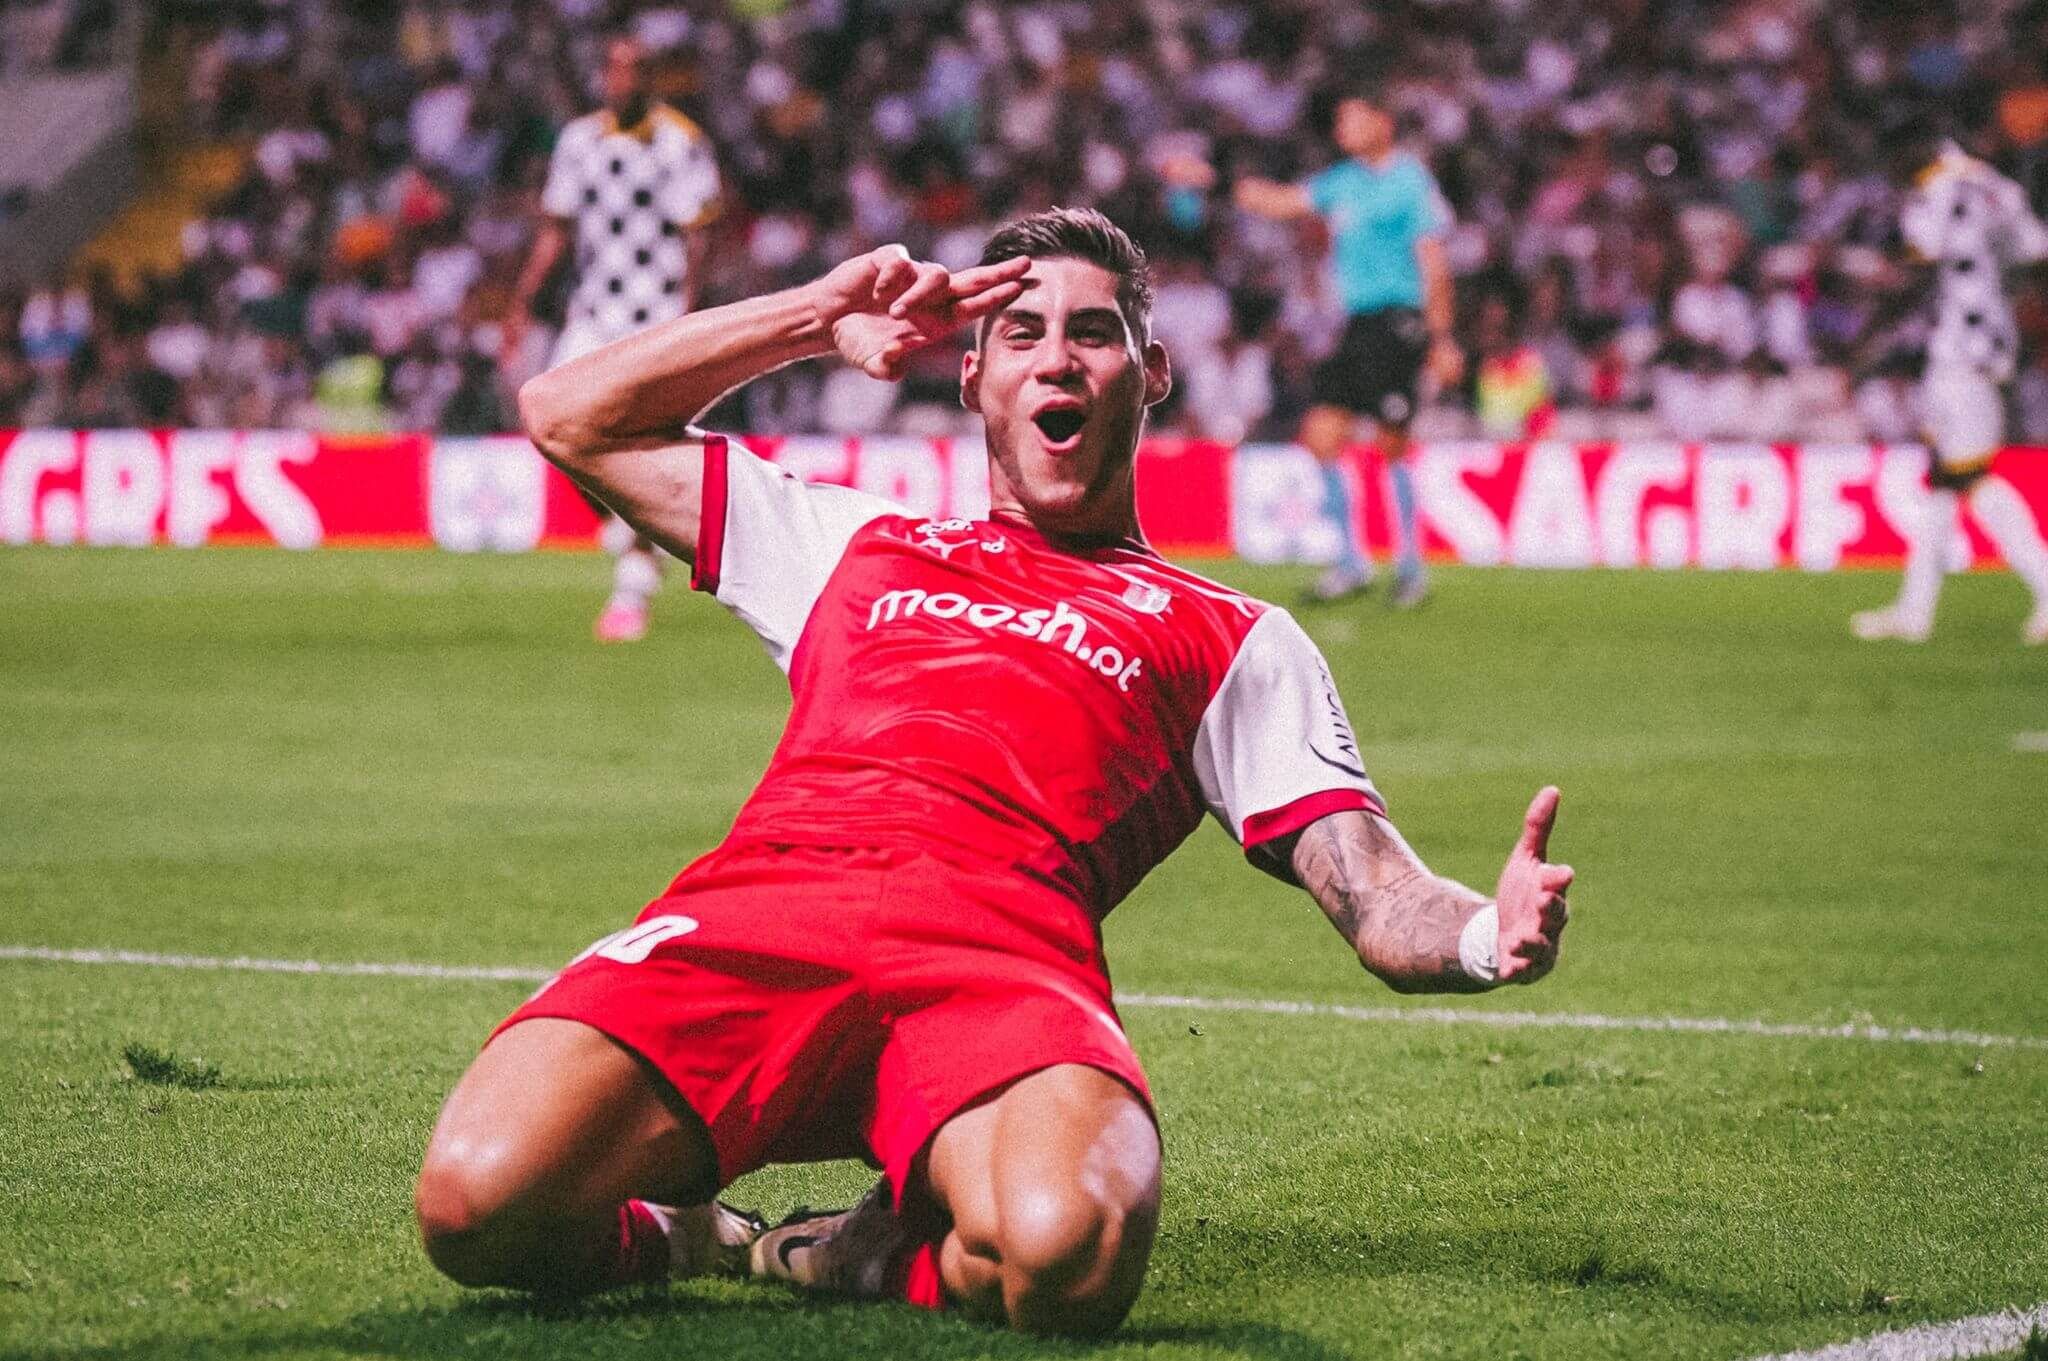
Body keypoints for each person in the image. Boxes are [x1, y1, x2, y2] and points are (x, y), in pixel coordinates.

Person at [415, 209, 1574, 1336]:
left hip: (999, 965)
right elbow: (569, 414)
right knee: (472, 1202)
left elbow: (1374, 891)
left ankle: (858, 1247)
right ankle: (685, 1235)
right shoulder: (853, 544)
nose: (1055, 356)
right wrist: (816, 317)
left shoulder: (1229, 632)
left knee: (1068, 1255)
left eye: (1091, 331)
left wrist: (1484, 933)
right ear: (970, 377)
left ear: (1148, 370)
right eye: (1020, 332)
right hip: (759, 917)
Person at [1175, 93, 1462, 607]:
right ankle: (1353, 562)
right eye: (1340, 119)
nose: (1344, 128)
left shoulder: (1409, 181)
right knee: (1322, 435)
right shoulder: (1343, 183)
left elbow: (1434, 263)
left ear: (1383, 122)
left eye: (1354, 117)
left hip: (1398, 321)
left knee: (1391, 442)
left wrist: (1441, 337)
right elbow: (1279, 201)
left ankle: (1411, 567)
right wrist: (1213, 181)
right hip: (1356, 326)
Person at [508, 33, 721, 643]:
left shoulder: (679, 141)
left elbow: (699, 236)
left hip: (653, 316)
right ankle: (626, 526)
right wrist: (521, 304)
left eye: (632, 70)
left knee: (633, 444)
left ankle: (632, 588)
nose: (619, 80)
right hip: (593, 313)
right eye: (612, 69)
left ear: (650, 78)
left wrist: (688, 320)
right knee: (547, 420)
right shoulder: (580, 141)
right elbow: (556, 228)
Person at [1852, 131, 2048, 646]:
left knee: (1968, 477)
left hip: (1963, 346)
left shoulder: (1938, 186)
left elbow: (1923, 246)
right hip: (1986, 337)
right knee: (1943, 477)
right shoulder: (1991, 182)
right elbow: (2034, 244)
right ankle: (1914, 612)